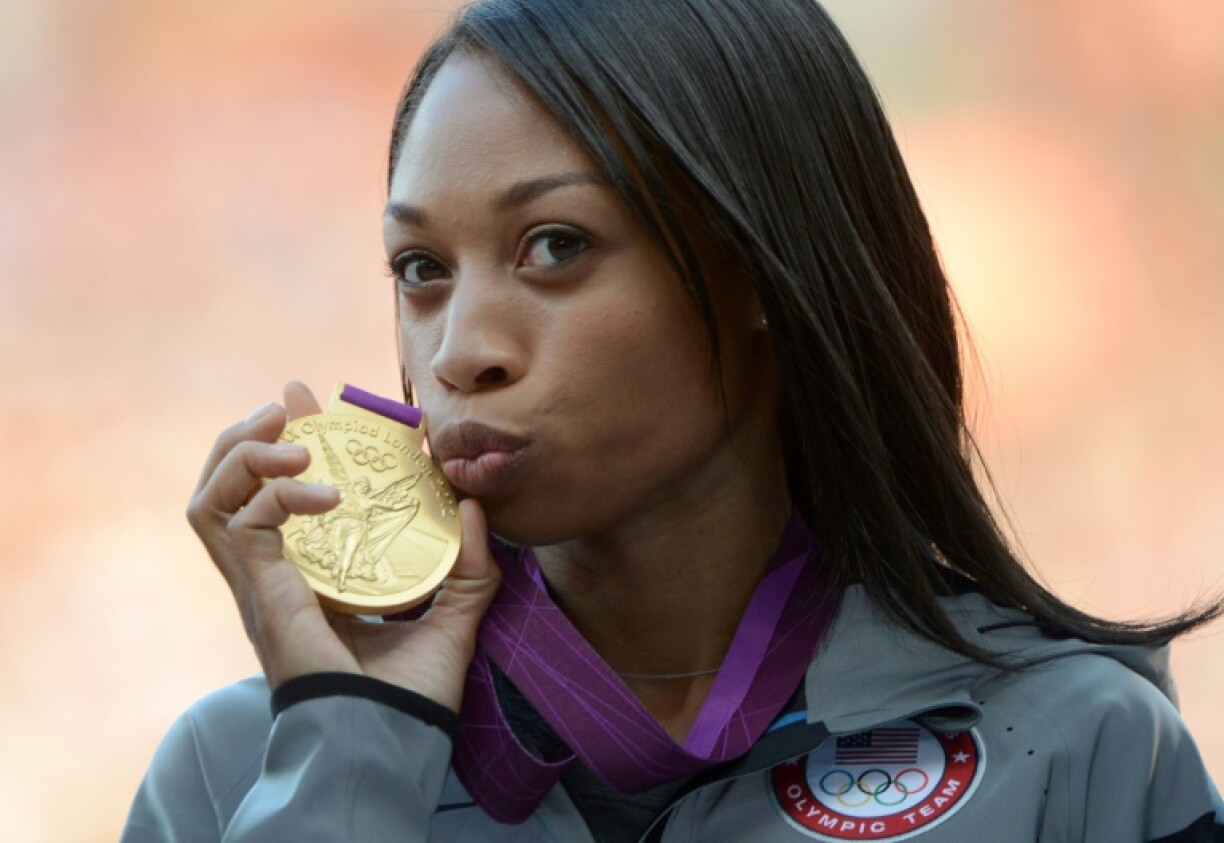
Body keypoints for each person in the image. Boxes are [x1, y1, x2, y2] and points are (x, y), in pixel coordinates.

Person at [122, 1, 1224, 840]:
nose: (459, 351)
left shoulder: (1076, 747)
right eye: (420, 269)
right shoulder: (233, 771)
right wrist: (352, 753)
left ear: (756, 261)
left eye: (554, 246)